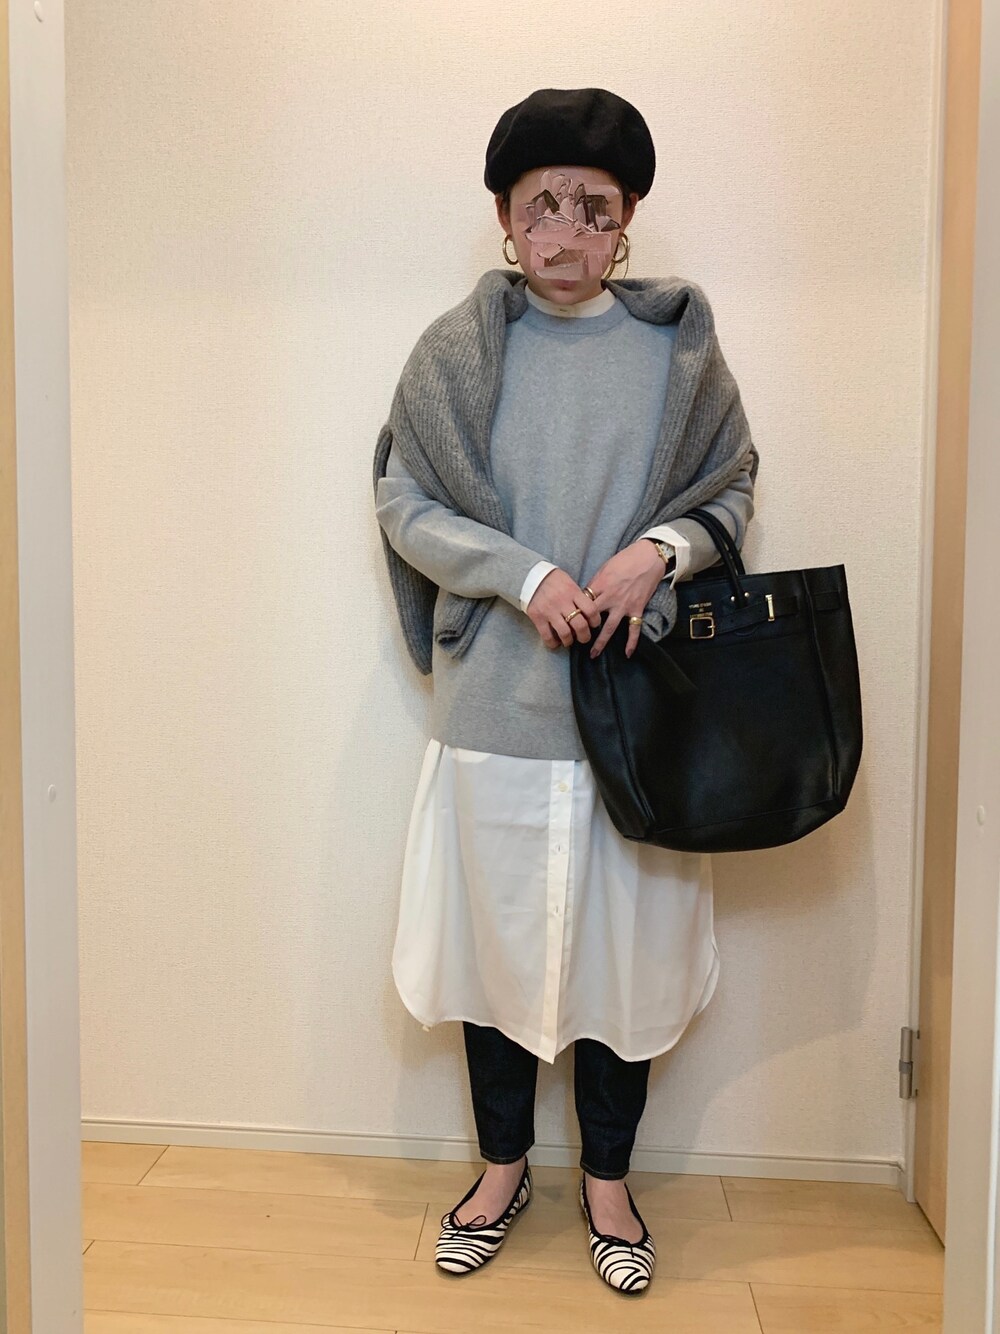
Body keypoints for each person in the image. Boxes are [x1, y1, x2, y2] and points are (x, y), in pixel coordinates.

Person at [373, 87, 757, 1293]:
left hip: (636, 718)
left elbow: (732, 485)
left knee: (622, 965)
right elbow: (402, 498)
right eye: (542, 204)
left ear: (625, 221)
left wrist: (662, 551)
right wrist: (523, 573)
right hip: (497, 709)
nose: (566, 231)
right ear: (505, 216)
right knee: (491, 957)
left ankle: (606, 1182)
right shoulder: (455, 351)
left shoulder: (678, 351)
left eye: (594, 207)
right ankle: (499, 1171)